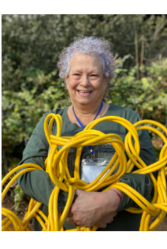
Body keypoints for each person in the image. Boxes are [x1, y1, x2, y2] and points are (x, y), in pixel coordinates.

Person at [15, 36, 155, 231]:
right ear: (66, 78)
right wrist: (73, 204)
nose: (84, 82)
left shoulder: (128, 120)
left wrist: (109, 200)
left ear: (106, 80)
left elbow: (149, 177)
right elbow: (27, 172)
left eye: (94, 75)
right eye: (77, 74)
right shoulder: (50, 123)